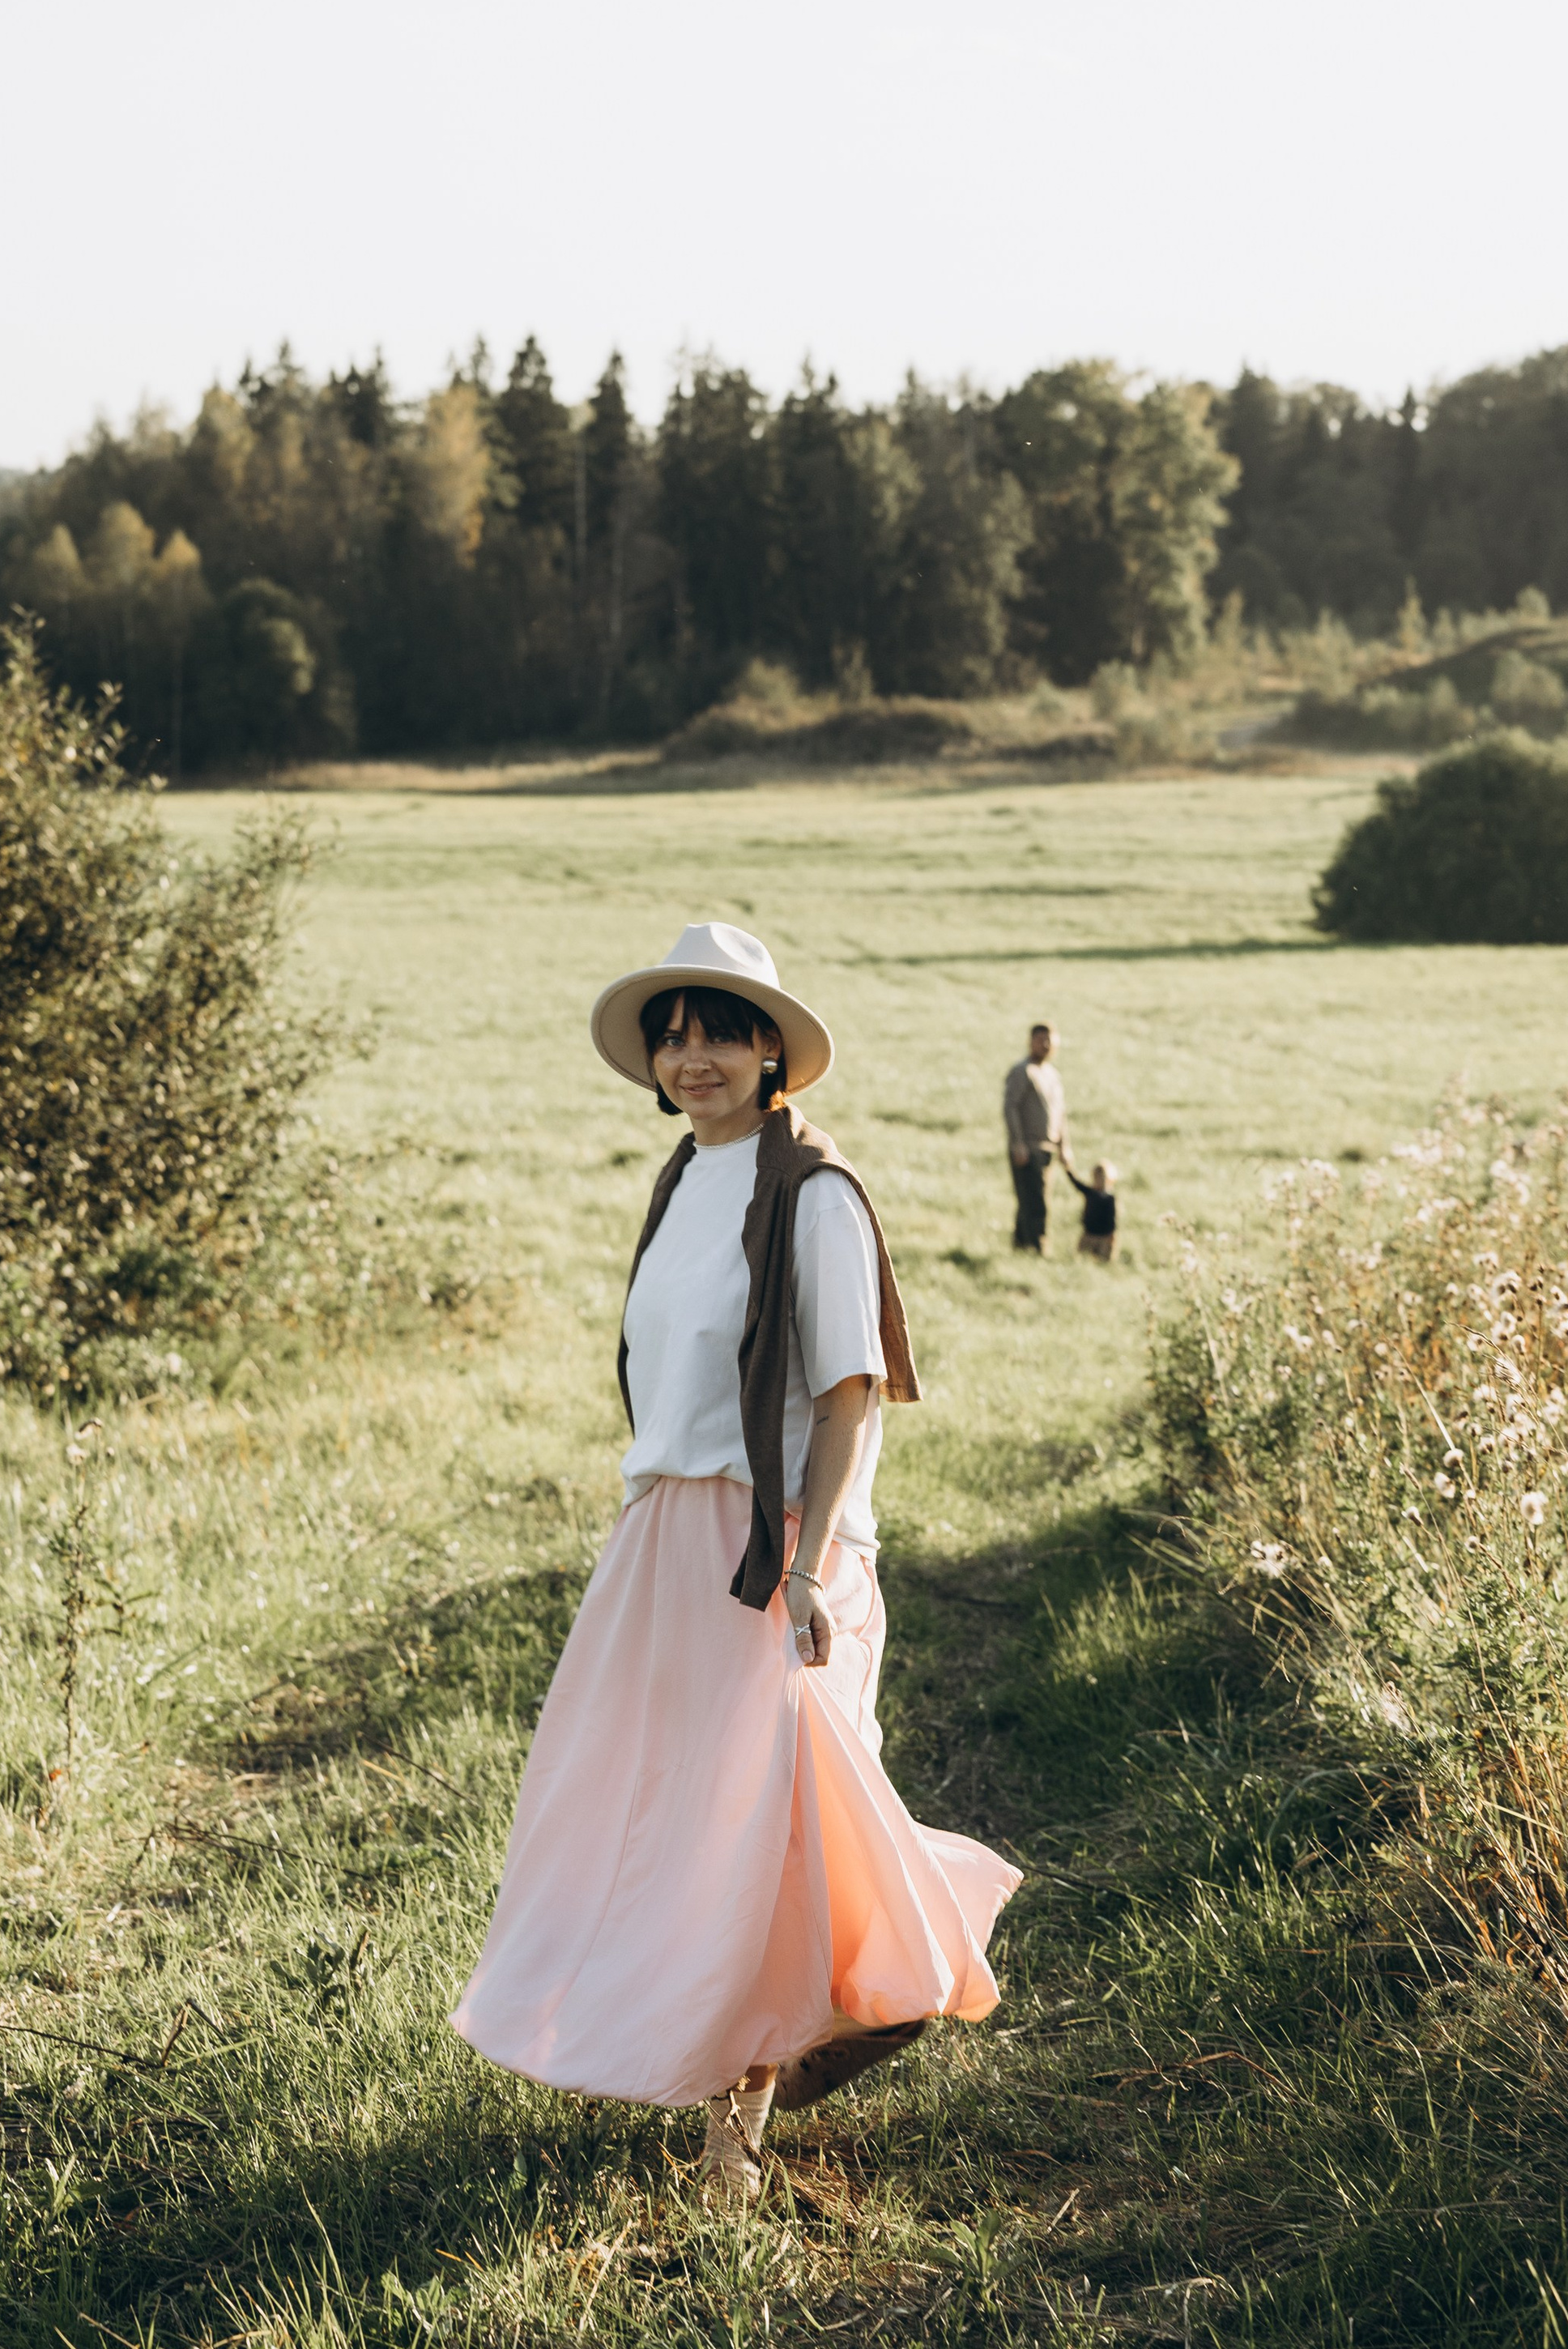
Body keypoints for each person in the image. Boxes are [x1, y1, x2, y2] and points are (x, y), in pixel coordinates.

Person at [453, 920, 1024, 2209]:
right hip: (665, 1533)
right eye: (673, 1033)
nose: (692, 1054)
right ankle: (830, 1998)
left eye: (719, 1029)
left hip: (765, 1549)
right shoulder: (683, 1178)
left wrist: (808, 1566)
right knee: (642, 1812)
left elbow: (849, 1397)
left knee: (750, 1831)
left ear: (773, 1047)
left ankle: (744, 2138)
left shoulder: (814, 1192)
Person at [1003, 1022, 1070, 1252]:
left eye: (1050, 1040)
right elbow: (1011, 1107)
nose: (1046, 1045)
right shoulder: (1022, 1071)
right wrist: (1017, 1143)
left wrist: (1064, 1146)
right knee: (1034, 1202)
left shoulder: (1052, 1074)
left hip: (1048, 1147)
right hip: (1028, 1147)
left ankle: (1021, 1248)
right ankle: (1037, 1247)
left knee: (1036, 1198)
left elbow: (1061, 1113)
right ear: (1030, 1041)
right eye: (1041, 1039)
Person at [1068, 1159, 1118, 1262]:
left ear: (1110, 1180)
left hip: (1104, 1237)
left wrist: (1112, 1235)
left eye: (1102, 1178)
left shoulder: (1110, 1198)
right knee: (1082, 1259)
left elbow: (1112, 1219)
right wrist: (1068, 1168)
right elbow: (1076, 1183)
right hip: (1089, 1234)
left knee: (1103, 1261)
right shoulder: (1090, 1193)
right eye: (1097, 1178)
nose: (1100, 1180)